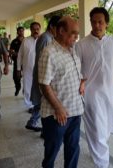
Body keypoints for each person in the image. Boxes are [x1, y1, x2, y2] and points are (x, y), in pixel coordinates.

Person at [75, 7, 113, 168]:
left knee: (105, 129)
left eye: (100, 22)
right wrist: (80, 83)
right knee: (97, 130)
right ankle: (103, 164)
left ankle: (96, 153)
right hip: (90, 94)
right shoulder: (82, 45)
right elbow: (76, 69)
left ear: (106, 23)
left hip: (109, 92)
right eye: (93, 22)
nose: (96, 25)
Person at [38, 16, 84, 168]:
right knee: (52, 152)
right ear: (61, 31)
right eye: (73, 33)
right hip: (56, 115)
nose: (77, 37)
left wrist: (81, 82)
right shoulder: (49, 53)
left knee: (73, 149)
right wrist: (58, 108)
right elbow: (44, 84)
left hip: (75, 110)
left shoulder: (72, 50)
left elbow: (71, 73)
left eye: (77, 33)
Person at [25, 15, 61, 132]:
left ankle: (33, 122)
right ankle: (39, 126)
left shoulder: (49, 37)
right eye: (59, 27)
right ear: (52, 26)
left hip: (44, 75)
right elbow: (44, 60)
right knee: (44, 101)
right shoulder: (46, 38)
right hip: (43, 75)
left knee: (42, 101)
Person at [17, 22, 41, 111]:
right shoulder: (25, 41)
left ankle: (39, 103)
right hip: (28, 69)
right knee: (28, 86)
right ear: (30, 30)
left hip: (40, 69)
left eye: (37, 29)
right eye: (34, 29)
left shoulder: (43, 40)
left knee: (40, 87)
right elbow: (20, 55)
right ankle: (30, 105)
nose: (36, 31)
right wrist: (18, 69)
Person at [10, 26, 24, 96]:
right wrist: (18, 54)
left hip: (25, 62)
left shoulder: (26, 40)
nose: (21, 32)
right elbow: (11, 51)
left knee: (27, 76)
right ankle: (18, 87)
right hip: (17, 61)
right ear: (17, 32)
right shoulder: (14, 41)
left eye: (22, 31)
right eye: (19, 31)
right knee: (16, 76)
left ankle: (25, 90)